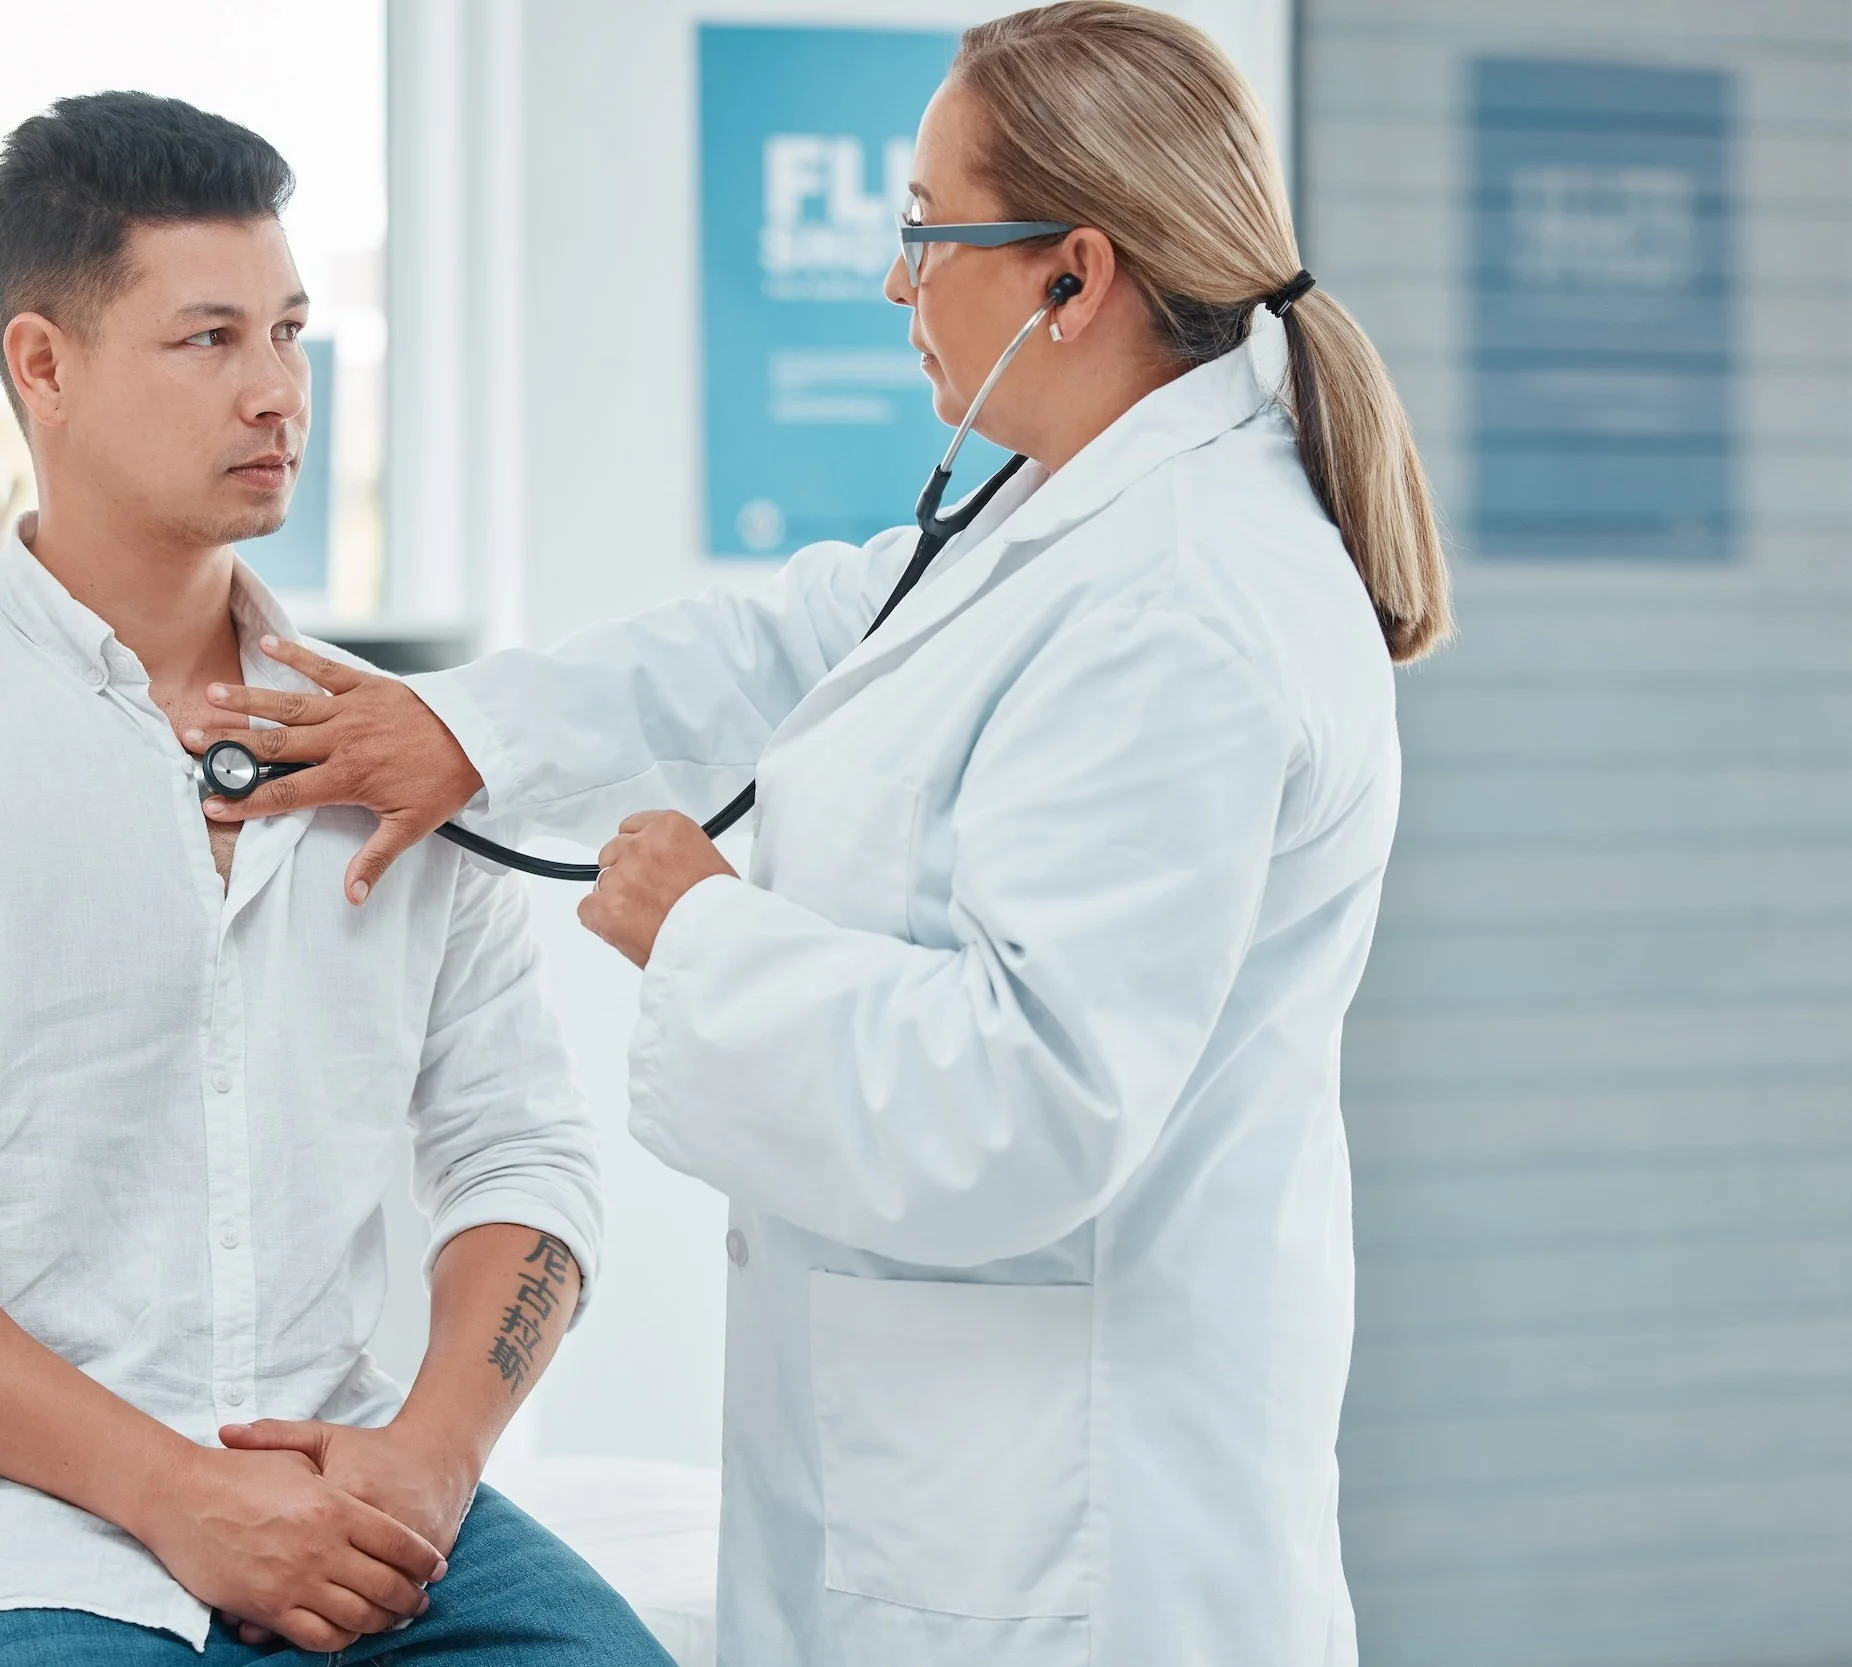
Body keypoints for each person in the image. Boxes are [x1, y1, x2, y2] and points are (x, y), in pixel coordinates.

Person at [188, 6, 1453, 1663]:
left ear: (1073, 277)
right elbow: (791, 642)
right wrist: (468, 731)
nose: (895, 280)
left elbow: (1033, 1098)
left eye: (926, 232)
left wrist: (699, 932)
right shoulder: (1060, 512)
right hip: (955, 1482)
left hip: (1076, 1543)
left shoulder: (1182, 613)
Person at [0, 91, 675, 1667]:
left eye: (290, 333)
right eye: (209, 339)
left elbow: (522, 1155)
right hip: (6, 1530)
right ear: (44, 365)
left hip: (360, 1486)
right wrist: (175, 1494)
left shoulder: (404, 752)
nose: (279, 393)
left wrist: (428, 1459)